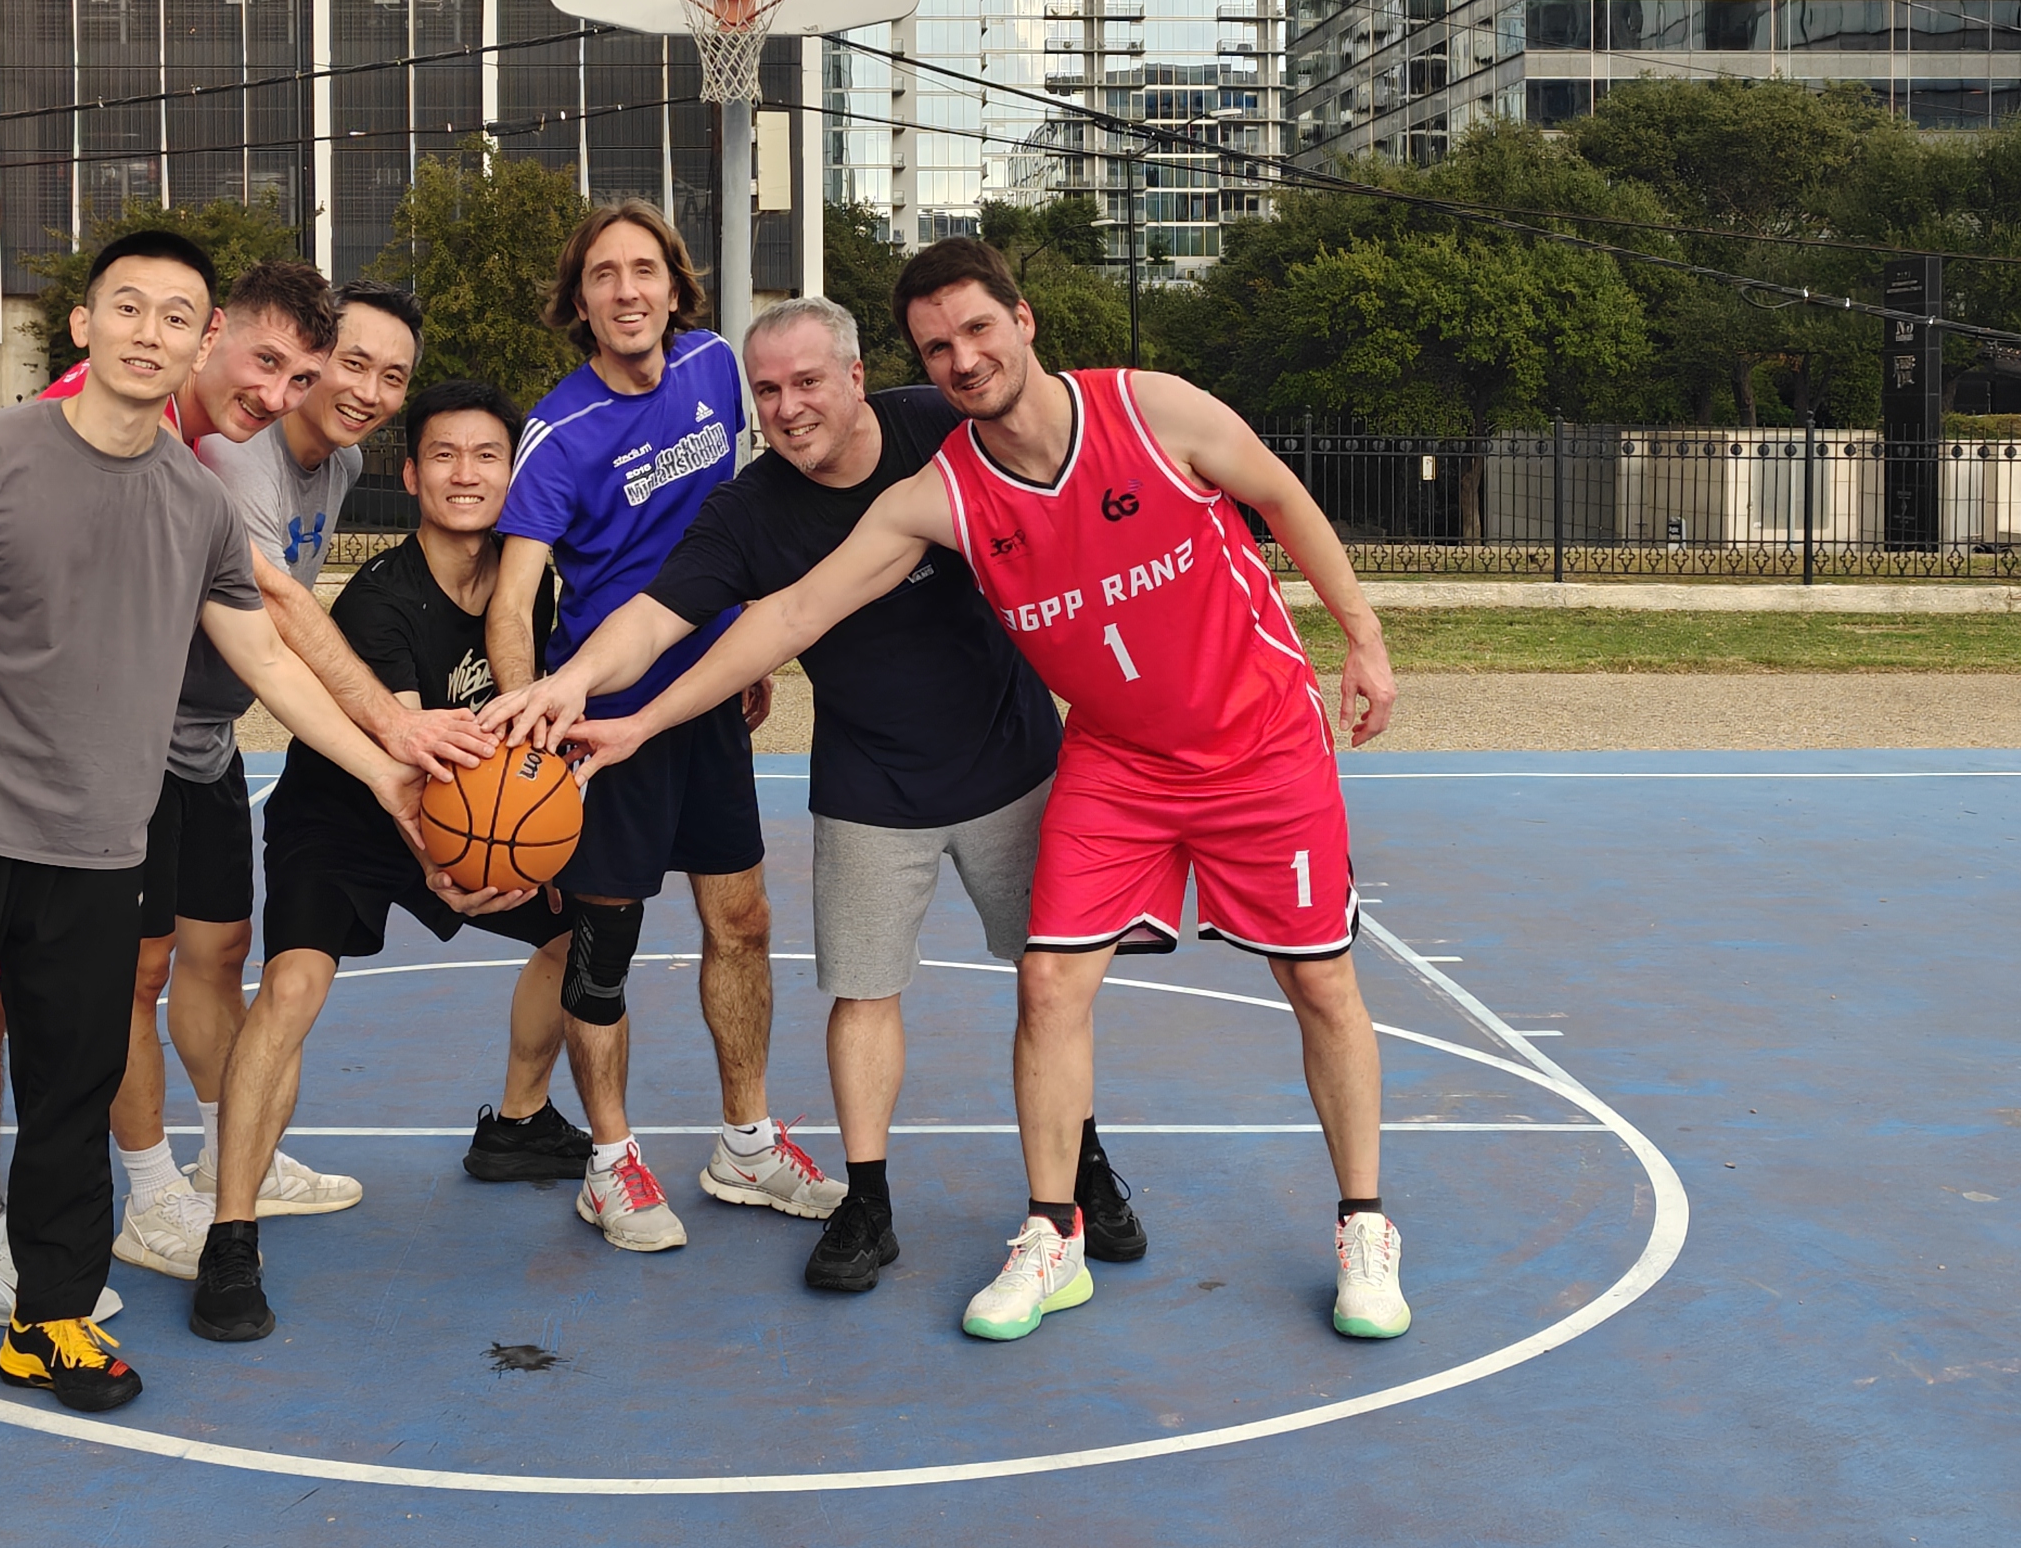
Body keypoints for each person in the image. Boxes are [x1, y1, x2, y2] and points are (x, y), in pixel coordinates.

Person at [503, 237, 1412, 1345]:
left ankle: (1357, 1224)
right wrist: (617, 706)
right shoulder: (927, 492)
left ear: (1021, 322)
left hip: (1197, 747)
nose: (962, 358)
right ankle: (1043, 1231)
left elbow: (1278, 491)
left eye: (977, 330)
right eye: (938, 346)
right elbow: (784, 615)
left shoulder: (1124, 411)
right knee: (1041, 987)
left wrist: (1362, 636)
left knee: (1315, 982)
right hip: (1060, 764)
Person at [0, 230, 424, 1458]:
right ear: (84, 327)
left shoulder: (196, 502)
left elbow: (261, 656)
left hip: (97, 848)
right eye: (127, 307)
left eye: (175, 315)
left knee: (73, 1097)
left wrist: (382, 768)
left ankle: (50, 1315)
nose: (151, 332)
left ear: (200, 342)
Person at [488, 297, 1129, 1296]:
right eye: (767, 391)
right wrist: (572, 683)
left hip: (1008, 758)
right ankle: (868, 1202)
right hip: (870, 779)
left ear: (857, 375)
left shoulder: (939, 426)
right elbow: (656, 617)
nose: (787, 408)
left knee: (1052, 989)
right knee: (863, 996)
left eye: (807, 383)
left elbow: (1069, 462)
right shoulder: (749, 511)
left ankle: (1081, 1168)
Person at [37, 261, 494, 1291]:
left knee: (220, 951)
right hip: (131, 743)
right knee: (138, 973)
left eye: (392, 376)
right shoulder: (232, 456)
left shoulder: (333, 464)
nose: (364, 390)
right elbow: (276, 612)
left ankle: (226, 1152)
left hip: (206, 736)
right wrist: (389, 736)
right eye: (349, 364)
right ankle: (150, 1190)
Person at [188, 380, 585, 1340]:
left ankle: (519, 1123)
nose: (465, 474)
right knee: (292, 989)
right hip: (349, 814)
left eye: (487, 456)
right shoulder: (382, 599)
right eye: (444, 455)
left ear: (514, 475)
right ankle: (230, 1233)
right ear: (410, 476)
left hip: (465, 818)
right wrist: (457, 868)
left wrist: (528, 858)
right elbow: (408, 767)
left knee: (586, 926)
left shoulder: (531, 589)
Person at [488, 199, 839, 1252]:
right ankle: (608, 1163)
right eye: (603, 274)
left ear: (675, 285)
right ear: (580, 300)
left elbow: (745, 514)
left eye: (644, 269)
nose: (626, 290)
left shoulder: (718, 369)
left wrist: (751, 645)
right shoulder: (557, 434)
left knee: (743, 923)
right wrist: (532, 733)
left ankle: (746, 1143)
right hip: (603, 721)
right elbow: (513, 602)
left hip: (708, 702)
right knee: (606, 947)